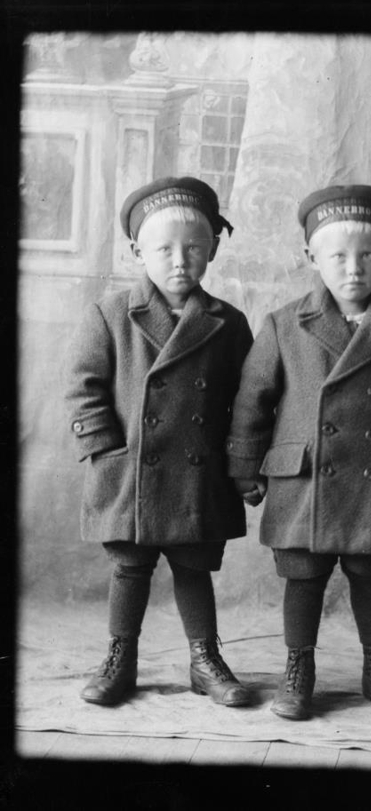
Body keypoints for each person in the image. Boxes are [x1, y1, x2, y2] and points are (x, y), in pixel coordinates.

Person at [226, 184, 371, 721]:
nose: (354, 269)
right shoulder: (284, 324)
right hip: (304, 480)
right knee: (303, 579)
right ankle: (298, 669)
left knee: (369, 575)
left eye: (368, 255)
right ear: (311, 257)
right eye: (338, 256)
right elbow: (252, 398)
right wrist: (244, 467)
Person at [64, 176, 253, 708]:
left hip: (198, 474)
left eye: (194, 247)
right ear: (137, 252)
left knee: (194, 568)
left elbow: (249, 400)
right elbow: (83, 387)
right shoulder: (111, 314)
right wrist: (108, 450)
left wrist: (241, 462)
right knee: (130, 568)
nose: (180, 260)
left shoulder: (228, 323)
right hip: (131, 472)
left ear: (212, 250)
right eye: (164, 248)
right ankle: (120, 658)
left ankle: (205, 660)